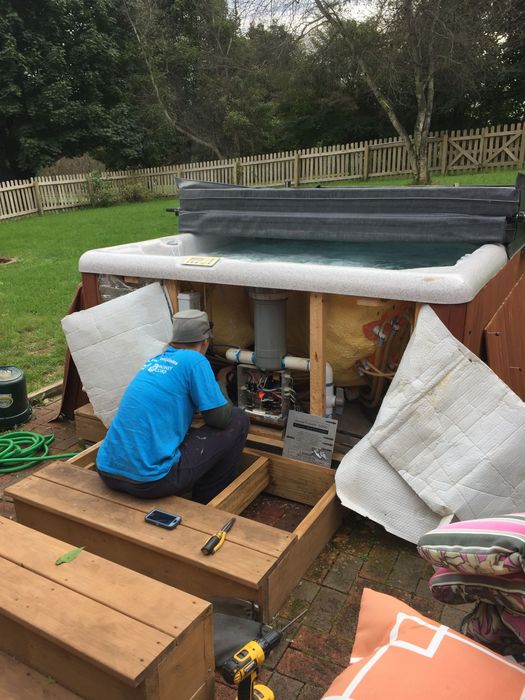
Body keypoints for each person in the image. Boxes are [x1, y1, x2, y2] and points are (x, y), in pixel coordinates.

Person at [96, 309, 249, 503]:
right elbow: (220, 419)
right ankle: (209, 499)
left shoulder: (154, 361)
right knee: (238, 419)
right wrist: (221, 383)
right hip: (151, 481)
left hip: (107, 470)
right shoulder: (195, 359)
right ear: (205, 342)